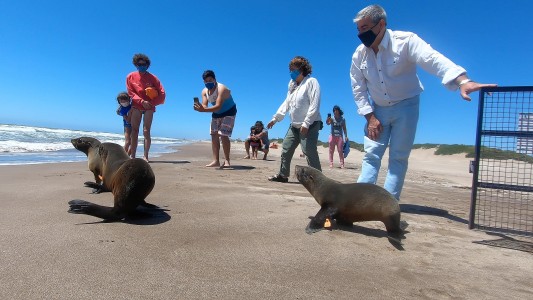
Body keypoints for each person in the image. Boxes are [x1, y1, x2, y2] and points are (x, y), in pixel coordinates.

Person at [350, 4, 497, 200]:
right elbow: (358, 88)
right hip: (378, 110)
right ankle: (360, 201)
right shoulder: (359, 54)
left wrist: (462, 80)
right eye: (359, 29)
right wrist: (370, 117)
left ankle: (388, 205)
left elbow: (432, 59)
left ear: (382, 24)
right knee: (372, 154)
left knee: (398, 157)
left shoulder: (405, 41)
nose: (361, 33)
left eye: (365, 28)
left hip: (407, 106)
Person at [267, 56, 322, 183]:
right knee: (286, 148)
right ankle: (283, 175)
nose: (291, 72)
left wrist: (307, 123)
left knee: (308, 150)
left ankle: (318, 180)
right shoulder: (292, 85)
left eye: (294, 69)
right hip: (294, 125)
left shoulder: (311, 82)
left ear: (302, 69)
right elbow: (287, 103)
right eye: (290, 70)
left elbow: (315, 104)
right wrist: (275, 118)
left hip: (311, 123)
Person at [193, 70, 237, 168]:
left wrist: (203, 110)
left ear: (214, 79)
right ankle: (216, 160)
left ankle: (227, 160)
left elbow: (218, 106)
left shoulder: (222, 88)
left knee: (223, 135)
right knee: (214, 135)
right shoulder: (204, 91)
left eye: (210, 80)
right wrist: (199, 107)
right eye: (206, 81)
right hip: (216, 113)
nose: (208, 82)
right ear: (204, 82)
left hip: (229, 111)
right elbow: (205, 105)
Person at [126, 53, 166, 162]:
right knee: (134, 130)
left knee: (146, 130)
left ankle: (146, 156)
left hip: (149, 106)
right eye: (139, 64)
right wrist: (141, 101)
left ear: (148, 65)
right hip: (137, 105)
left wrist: (152, 103)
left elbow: (162, 94)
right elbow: (130, 92)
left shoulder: (153, 78)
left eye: (144, 64)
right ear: (136, 64)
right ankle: (132, 155)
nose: (141, 66)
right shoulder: (130, 76)